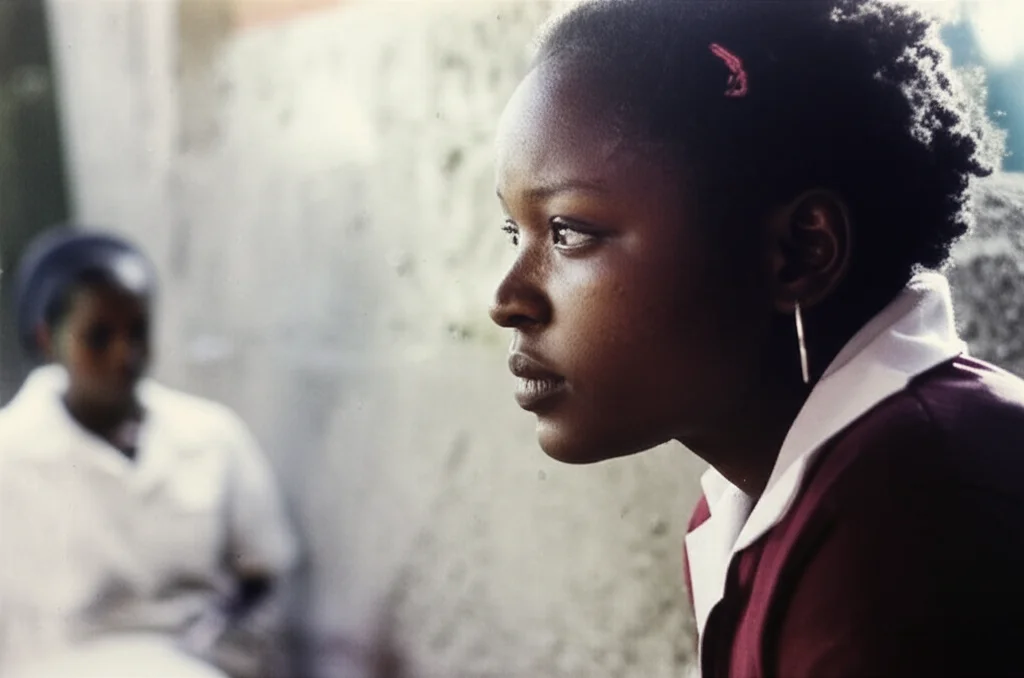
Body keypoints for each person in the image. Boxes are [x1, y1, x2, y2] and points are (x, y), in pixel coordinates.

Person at [488, 0, 1023, 676]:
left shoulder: (915, 525)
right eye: (515, 232)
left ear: (799, 253)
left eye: (569, 231)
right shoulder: (766, 509)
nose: (507, 301)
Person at [0, 228, 299, 678]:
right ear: (48, 340)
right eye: (98, 337)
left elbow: (264, 573)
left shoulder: (211, 437)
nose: (126, 354)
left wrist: (215, 647)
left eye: (137, 331)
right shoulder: (11, 456)